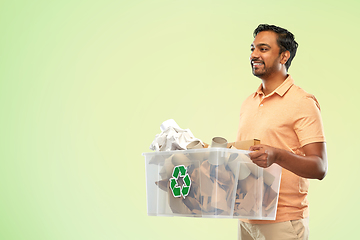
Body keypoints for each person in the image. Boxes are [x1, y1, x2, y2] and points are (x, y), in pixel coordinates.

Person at [236, 24, 327, 240]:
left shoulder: (302, 102)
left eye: (263, 49)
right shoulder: (249, 102)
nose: (254, 55)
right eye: (252, 48)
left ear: (284, 56)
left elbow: (319, 167)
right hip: (245, 218)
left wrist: (277, 155)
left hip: (282, 222)